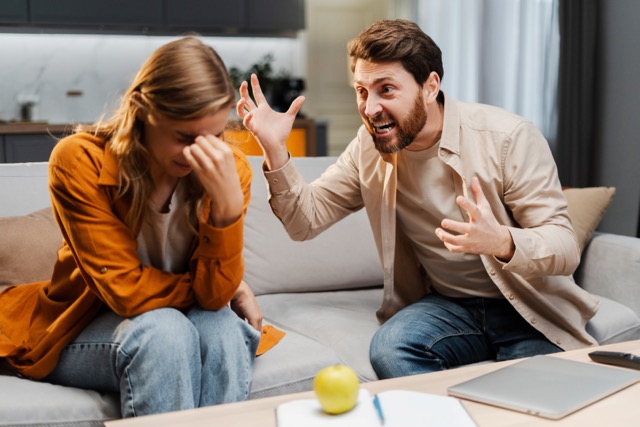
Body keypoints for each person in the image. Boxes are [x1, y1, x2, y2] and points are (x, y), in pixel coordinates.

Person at [236, 19, 600, 379]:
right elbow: (304, 222)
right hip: (451, 307)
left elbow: (564, 248)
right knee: (390, 349)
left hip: (527, 308)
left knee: (535, 398)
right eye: (362, 91)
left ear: (430, 86)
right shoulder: (368, 148)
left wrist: (502, 241)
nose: (370, 108)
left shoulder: (508, 138)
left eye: (386, 89)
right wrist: (274, 149)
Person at [0, 37, 266, 417]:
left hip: (174, 315)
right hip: (85, 323)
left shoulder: (230, 169)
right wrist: (223, 284)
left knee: (224, 332)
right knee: (164, 332)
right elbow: (125, 292)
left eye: (214, 135)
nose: (200, 153)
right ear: (142, 110)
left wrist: (226, 210)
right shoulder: (78, 161)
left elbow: (213, 299)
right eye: (184, 137)